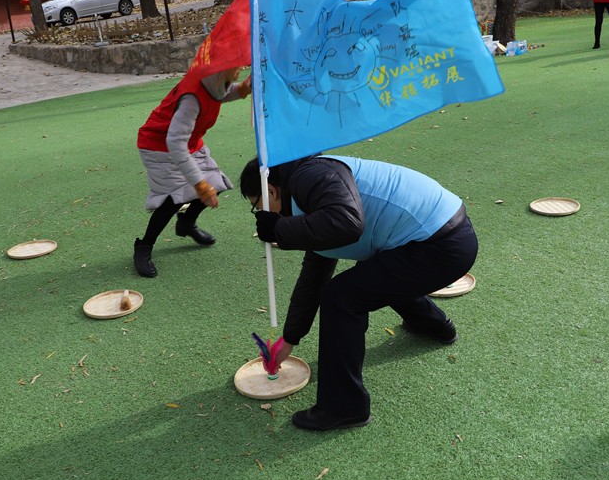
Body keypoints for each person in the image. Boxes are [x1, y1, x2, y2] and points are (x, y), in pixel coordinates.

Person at [241, 155, 478, 431]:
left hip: (441, 247)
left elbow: (347, 223)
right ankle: (433, 326)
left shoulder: (308, 177)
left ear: (270, 191)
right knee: (372, 274)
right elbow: (314, 276)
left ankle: (344, 409)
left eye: (257, 207)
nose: (260, 215)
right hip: (440, 242)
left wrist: (278, 228)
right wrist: (290, 339)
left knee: (341, 298)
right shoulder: (308, 189)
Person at [132, 68, 252, 277]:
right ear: (222, 68)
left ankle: (186, 223)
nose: (240, 69)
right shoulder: (191, 98)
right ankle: (144, 246)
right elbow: (175, 143)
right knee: (173, 199)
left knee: (215, 183)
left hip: (189, 143)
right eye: (236, 66)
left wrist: (242, 89)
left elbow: (218, 95)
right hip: (158, 145)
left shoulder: (212, 79)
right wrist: (200, 186)